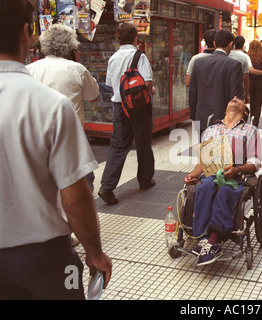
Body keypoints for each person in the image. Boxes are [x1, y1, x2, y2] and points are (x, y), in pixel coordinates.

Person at [0, 0, 111, 299]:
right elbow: (75, 197)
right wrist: (94, 252)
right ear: (27, 32)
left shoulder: (35, 74)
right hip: (44, 259)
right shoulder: (53, 105)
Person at [184, 97, 261, 266]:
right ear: (225, 110)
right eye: (232, 99)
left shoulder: (250, 130)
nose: (234, 99)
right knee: (204, 187)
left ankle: (214, 240)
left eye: (239, 99)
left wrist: (238, 169)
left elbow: (255, 162)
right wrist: (192, 175)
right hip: (211, 174)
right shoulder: (210, 130)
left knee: (225, 191)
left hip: (235, 176)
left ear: (245, 112)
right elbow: (202, 164)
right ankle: (203, 238)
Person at [27, 23, 99, 192]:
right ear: (71, 47)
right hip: (71, 140)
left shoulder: (29, 69)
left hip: (39, 140)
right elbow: (93, 97)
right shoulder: (77, 69)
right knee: (80, 187)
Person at [98, 22, 156, 205]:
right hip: (139, 107)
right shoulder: (140, 56)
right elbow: (146, 82)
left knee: (117, 145)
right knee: (143, 142)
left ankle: (106, 187)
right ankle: (145, 180)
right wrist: (152, 91)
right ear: (135, 38)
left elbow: (109, 83)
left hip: (118, 106)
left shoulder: (113, 58)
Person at [189, 29, 244, 135]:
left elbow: (193, 92)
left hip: (202, 118)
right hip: (224, 120)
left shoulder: (198, 62)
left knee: (205, 150)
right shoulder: (234, 65)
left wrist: (194, 117)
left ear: (214, 43)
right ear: (230, 44)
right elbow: (236, 97)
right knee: (222, 151)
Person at [247, 40, 262, 128]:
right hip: (261, 82)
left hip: (251, 81)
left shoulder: (248, 56)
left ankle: (251, 118)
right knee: (258, 103)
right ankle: (255, 123)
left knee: (252, 102)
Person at [229, 35, 251, 103]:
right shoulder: (244, 57)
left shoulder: (227, 54)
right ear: (243, 44)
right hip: (238, 89)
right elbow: (246, 77)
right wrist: (247, 94)